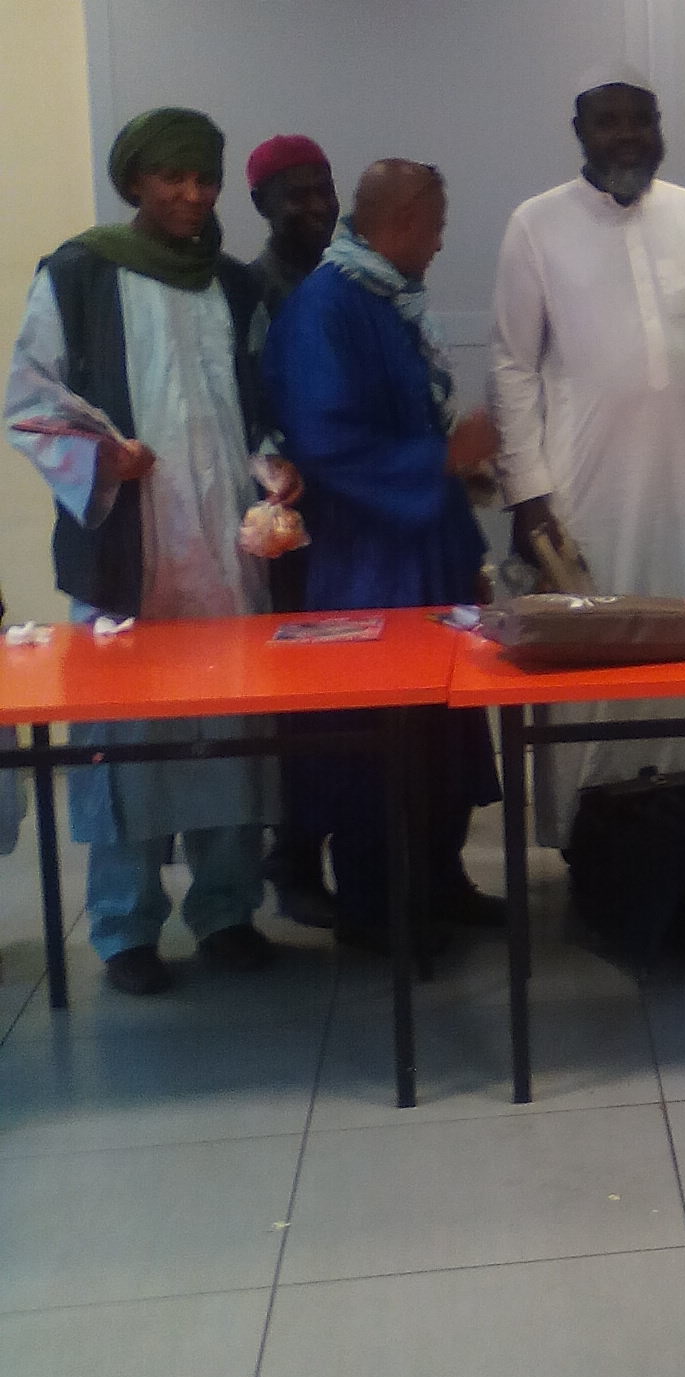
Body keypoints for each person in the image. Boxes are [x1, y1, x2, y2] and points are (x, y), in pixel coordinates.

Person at [4, 107, 289, 995]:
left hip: (228, 558)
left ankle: (226, 910)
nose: (192, 195)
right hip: (130, 555)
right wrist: (103, 458)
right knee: (125, 743)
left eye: (206, 179)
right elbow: (29, 402)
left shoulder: (234, 286)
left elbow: (261, 401)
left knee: (231, 733)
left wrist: (275, 469)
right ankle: (124, 927)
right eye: (172, 177)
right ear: (135, 181)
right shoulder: (79, 274)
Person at [489, 79, 685, 842]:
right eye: (608, 122)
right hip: (588, 486)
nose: (627, 135)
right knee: (595, 655)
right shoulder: (535, 224)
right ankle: (593, 833)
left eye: (641, 121)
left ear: (659, 127)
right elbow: (513, 365)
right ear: (579, 129)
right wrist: (528, 493)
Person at [264, 159, 503, 951]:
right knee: (376, 737)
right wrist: (444, 457)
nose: (439, 244)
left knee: (444, 728)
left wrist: (457, 476)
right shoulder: (325, 308)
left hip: (426, 551)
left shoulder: (390, 299)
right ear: (400, 223)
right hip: (366, 564)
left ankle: (438, 880)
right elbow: (327, 445)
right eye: (435, 227)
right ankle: (376, 910)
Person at [245, 131, 340, 925]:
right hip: (290, 529)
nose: (314, 207)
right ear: (261, 205)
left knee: (360, 693)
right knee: (303, 702)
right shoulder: (250, 291)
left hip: (354, 518)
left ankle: (384, 853)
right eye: (295, 195)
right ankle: (295, 858)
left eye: (323, 190)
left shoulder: (348, 277)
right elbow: (247, 408)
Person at [246, 134, 339, 317]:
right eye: (299, 196)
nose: (319, 207)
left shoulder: (358, 281)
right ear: (261, 203)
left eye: (325, 191)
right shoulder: (244, 294)